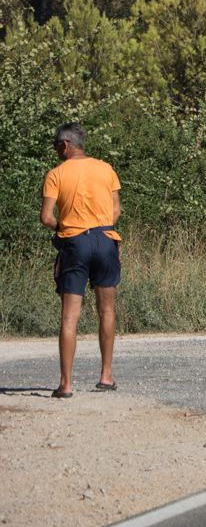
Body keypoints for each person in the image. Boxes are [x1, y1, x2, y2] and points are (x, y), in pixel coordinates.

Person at [39, 123, 122, 397]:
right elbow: (116, 210)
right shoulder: (106, 169)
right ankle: (106, 376)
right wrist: (100, 229)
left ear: (65, 145)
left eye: (56, 146)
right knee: (106, 310)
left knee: (69, 316)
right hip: (105, 239)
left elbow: (46, 217)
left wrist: (64, 229)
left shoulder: (56, 174)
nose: (56, 151)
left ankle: (66, 384)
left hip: (75, 242)